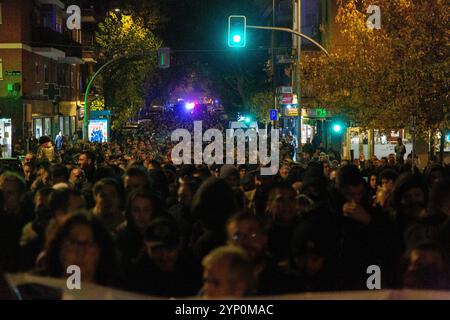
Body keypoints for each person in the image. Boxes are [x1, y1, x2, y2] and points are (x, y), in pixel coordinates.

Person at [37, 213, 117, 286]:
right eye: (72, 243)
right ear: (59, 247)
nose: (80, 253)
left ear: (100, 251)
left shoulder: (116, 295)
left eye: (89, 244)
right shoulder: (36, 290)